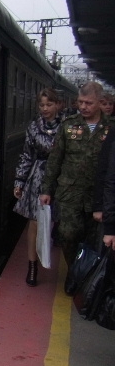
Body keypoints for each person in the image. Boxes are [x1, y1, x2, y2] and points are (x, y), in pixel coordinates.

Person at [40, 81, 111, 292]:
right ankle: (74, 272)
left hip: (98, 196)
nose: (83, 106)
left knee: (93, 239)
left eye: (88, 103)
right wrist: (46, 189)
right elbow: (55, 160)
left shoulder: (111, 127)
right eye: (80, 102)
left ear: (100, 102)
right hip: (70, 192)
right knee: (68, 235)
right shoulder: (69, 125)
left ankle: (88, 277)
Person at [13, 88, 61, 286]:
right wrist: (19, 181)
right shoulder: (34, 127)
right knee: (34, 223)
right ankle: (32, 266)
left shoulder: (67, 127)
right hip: (38, 177)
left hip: (60, 178)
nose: (45, 108)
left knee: (58, 222)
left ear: (57, 105)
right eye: (41, 105)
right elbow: (26, 155)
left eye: (49, 104)